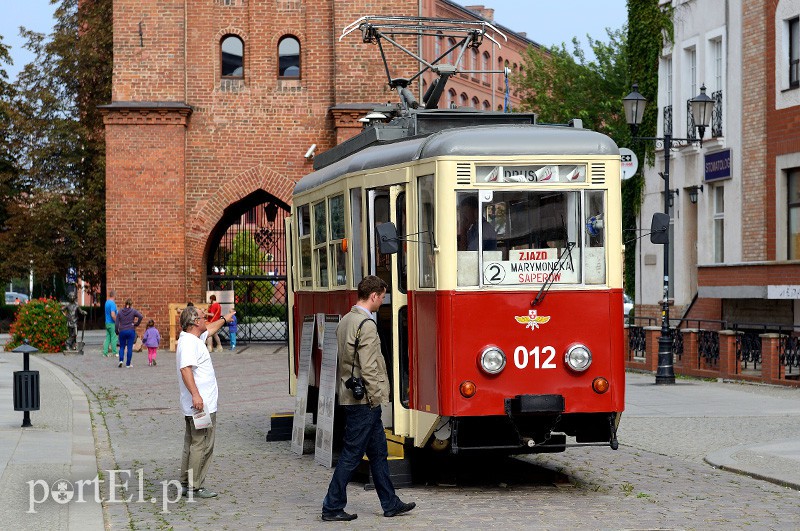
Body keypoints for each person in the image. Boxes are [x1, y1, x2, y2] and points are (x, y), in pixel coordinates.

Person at [321, 276, 416, 522]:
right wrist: (377, 398)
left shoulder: (346, 321)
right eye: (382, 297)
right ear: (373, 295)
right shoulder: (367, 324)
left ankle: (390, 503)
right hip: (364, 402)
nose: (382, 301)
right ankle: (331, 506)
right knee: (352, 454)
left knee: (378, 453)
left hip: (351, 395)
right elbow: (369, 367)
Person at [176, 304, 235, 499]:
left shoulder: (193, 338)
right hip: (201, 405)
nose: (206, 319)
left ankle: (185, 482)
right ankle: (195, 486)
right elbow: (186, 370)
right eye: (202, 317)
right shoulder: (189, 344)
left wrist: (225, 319)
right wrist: (196, 395)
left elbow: (211, 329)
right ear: (194, 322)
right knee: (203, 444)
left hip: (198, 404)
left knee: (192, 443)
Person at [116, 298, 143, 368]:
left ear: (125, 304)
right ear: (131, 304)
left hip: (122, 331)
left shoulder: (120, 312)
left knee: (122, 347)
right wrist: (136, 324)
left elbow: (116, 323)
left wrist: (116, 331)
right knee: (129, 348)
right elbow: (141, 316)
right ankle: (128, 364)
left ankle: (121, 360)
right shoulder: (133, 311)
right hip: (131, 330)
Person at [103, 290, 118, 357]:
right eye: (116, 295)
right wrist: (116, 321)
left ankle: (105, 352)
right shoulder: (112, 304)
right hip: (112, 323)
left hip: (107, 322)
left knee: (108, 338)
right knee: (114, 338)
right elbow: (113, 314)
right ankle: (114, 352)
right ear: (114, 296)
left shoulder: (107, 302)